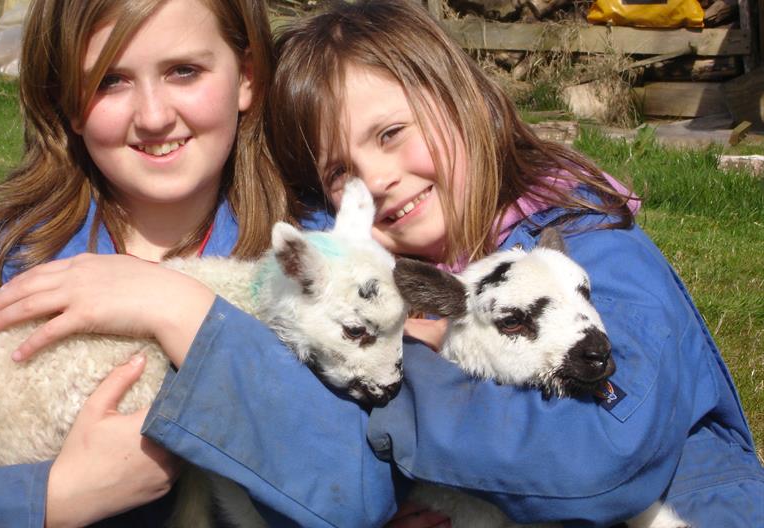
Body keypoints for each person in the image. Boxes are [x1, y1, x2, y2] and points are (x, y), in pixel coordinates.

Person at [141, 0, 763, 526]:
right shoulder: (377, 279)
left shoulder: (588, 242)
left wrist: (408, 375)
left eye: (390, 134)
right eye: (340, 171)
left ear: (462, 100)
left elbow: (607, 451)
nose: (378, 178)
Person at [0, 0, 323, 525]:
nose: (152, 116)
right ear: (70, 102)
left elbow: (376, 468)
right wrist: (55, 497)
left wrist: (175, 307)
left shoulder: (318, 260)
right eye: (109, 81)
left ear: (247, 76)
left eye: (184, 71)